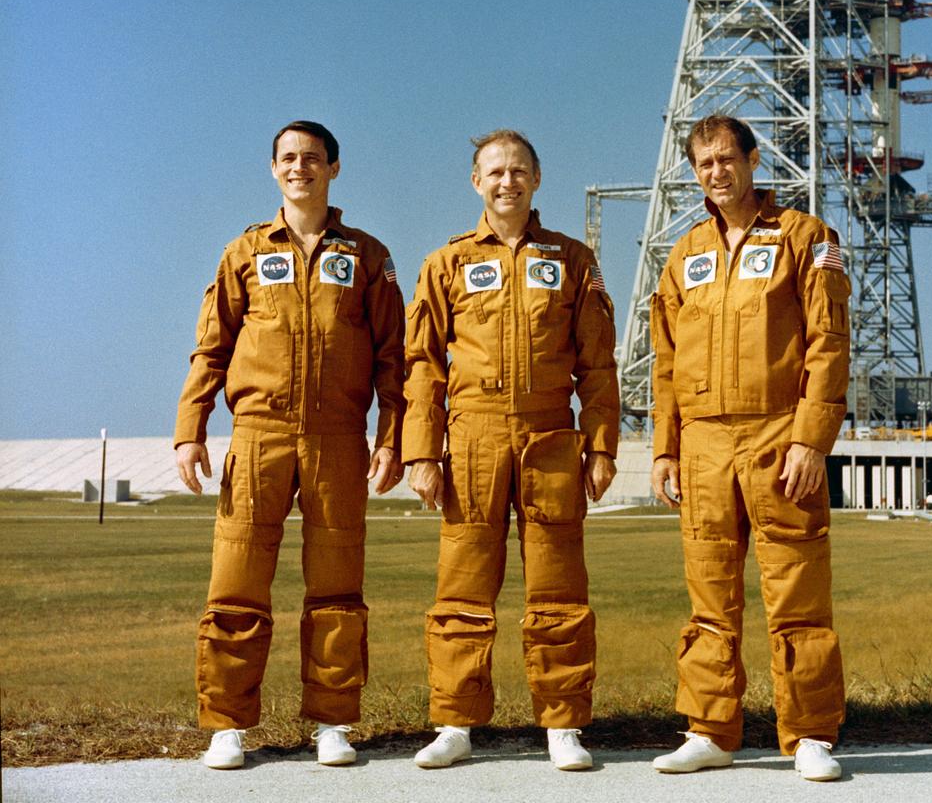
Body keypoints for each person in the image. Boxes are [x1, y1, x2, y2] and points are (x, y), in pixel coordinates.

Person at [174, 121, 405, 770]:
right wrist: (189, 429)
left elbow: (394, 358)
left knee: (335, 589)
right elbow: (211, 347)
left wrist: (391, 439)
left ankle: (331, 722)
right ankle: (227, 724)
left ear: (334, 168)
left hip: (337, 442)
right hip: (258, 437)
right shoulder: (243, 253)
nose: (299, 167)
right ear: (273, 169)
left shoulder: (366, 255)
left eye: (311, 158)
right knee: (236, 586)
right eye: (287, 158)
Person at [403, 129, 619, 771]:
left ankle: (563, 724)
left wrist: (602, 445)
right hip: (472, 437)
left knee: (559, 587)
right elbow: (422, 366)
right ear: (477, 182)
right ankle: (455, 721)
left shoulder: (574, 261)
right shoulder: (447, 263)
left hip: (552, 437)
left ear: (537, 178)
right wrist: (421, 451)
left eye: (519, 170)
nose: (507, 181)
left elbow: (599, 367)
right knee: (463, 588)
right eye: (495, 172)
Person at [649, 115, 848, 783]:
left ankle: (812, 734)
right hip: (703, 442)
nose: (716, 172)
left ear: (753, 160)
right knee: (709, 596)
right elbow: (665, 360)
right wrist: (664, 449)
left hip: (776, 435)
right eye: (703, 163)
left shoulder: (805, 238)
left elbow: (826, 344)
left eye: (726, 158)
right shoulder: (684, 255)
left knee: (796, 590)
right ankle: (709, 729)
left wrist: (809, 441)